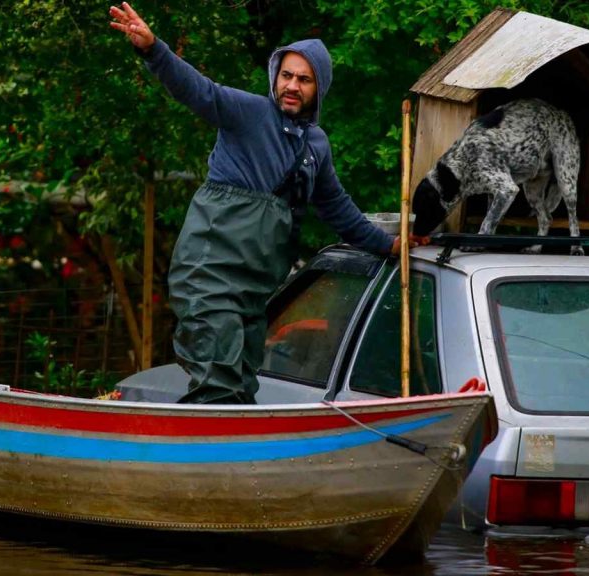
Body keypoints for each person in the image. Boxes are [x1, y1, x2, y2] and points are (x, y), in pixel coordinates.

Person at [109, 3, 426, 404]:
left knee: (241, 385)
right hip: (209, 277)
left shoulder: (316, 146)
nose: (292, 85)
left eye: (304, 80)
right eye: (287, 75)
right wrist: (154, 49)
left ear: (318, 88)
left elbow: (336, 207)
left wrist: (389, 245)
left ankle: (236, 461)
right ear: (276, 77)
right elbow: (197, 90)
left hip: (254, 290)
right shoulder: (248, 112)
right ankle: (202, 459)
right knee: (217, 382)